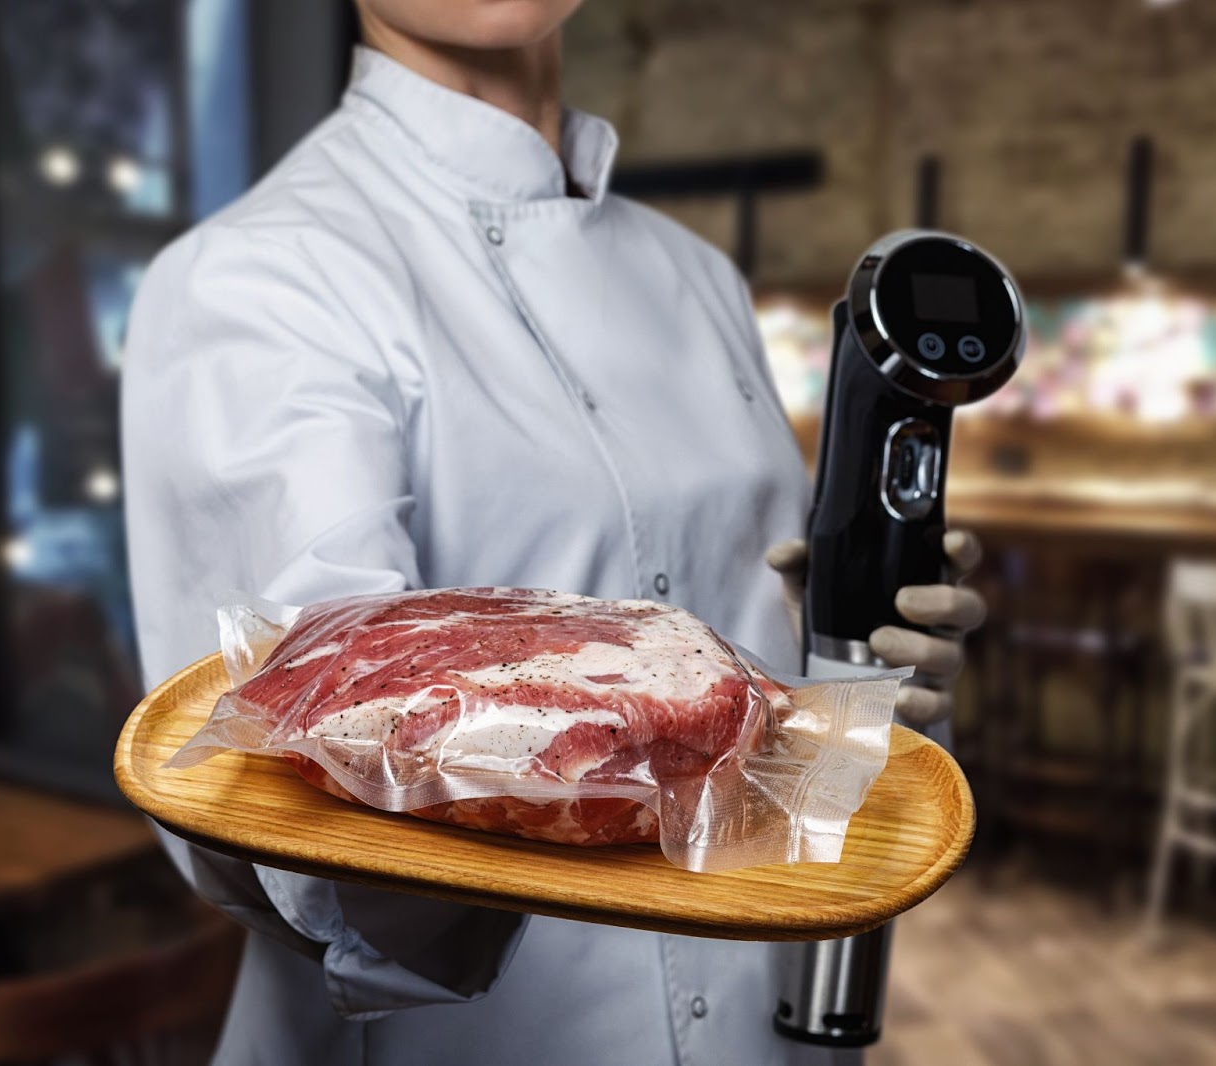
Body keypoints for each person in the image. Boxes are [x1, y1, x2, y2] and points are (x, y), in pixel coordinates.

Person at [121, 1, 985, 1063]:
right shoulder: (256, 276)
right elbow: (291, 780)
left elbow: (767, 718)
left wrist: (851, 682)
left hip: (770, 1018)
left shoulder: (696, 276)